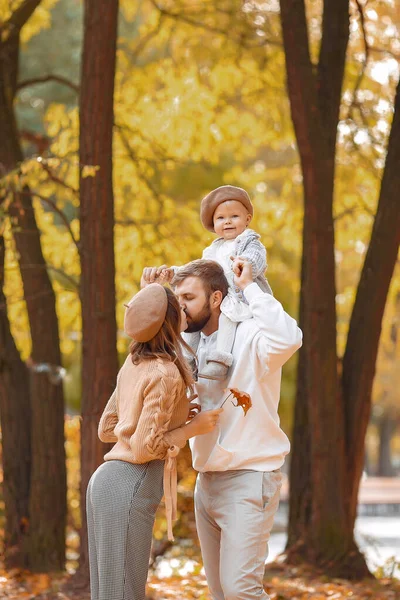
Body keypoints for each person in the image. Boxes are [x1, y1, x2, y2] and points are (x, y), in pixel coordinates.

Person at [142, 258, 302, 600]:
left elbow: (290, 338)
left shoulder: (250, 336)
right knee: (219, 593)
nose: (181, 307)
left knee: (241, 591)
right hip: (207, 481)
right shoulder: (190, 348)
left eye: (189, 298)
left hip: (249, 478)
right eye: (178, 299)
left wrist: (250, 288)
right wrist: (151, 295)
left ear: (216, 299)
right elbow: (149, 355)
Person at [86, 283, 222, 600]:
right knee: (123, 593)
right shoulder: (165, 372)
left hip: (104, 483)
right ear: (172, 322)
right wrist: (192, 428)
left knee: (108, 592)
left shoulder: (132, 365)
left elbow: (107, 429)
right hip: (127, 487)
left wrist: (172, 417)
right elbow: (147, 448)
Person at [163, 185, 273, 381]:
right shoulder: (213, 250)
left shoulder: (248, 241)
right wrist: (174, 273)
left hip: (239, 297)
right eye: (221, 218)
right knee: (190, 320)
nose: (228, 222)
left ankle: (220, 360)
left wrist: (246, 263)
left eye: (234, 216)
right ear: (213, 224)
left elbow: (256, 257)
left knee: (227, 316)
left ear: (247, 219)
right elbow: (197, 272)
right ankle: (187, 359)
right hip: (217, 296)